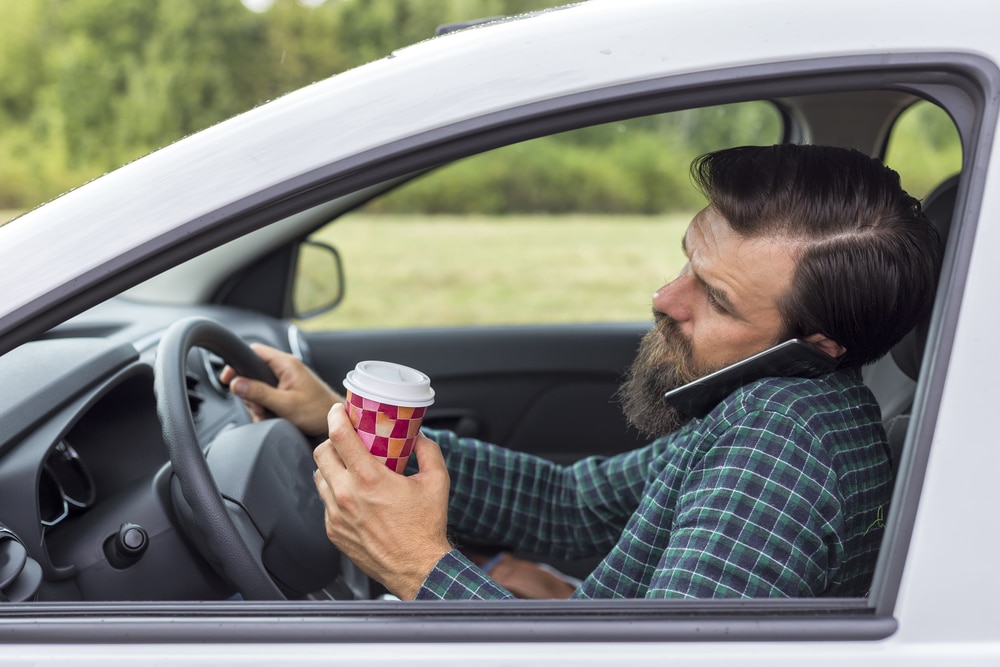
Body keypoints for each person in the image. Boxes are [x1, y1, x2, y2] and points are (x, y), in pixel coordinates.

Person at [222, 144, 942, 601]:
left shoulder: (782, 447)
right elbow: (572, 504)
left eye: (714, 298)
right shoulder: (766, 403)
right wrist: (336, 420)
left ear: (815, 344)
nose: (665, 299)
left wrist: (421, 567)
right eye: (689, 261)